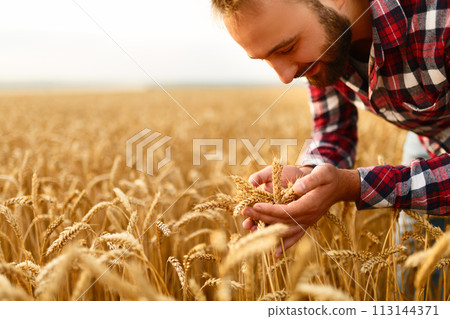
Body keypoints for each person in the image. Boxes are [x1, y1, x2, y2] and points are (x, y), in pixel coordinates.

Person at [211, 0, 450, 257]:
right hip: (429, 141)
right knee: (414, 273)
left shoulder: (440, 21)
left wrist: (352, 185)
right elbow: (333, 129)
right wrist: (307, 176)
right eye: (265, 59)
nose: (285, 76)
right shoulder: (324, 46)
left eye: (288, 47)